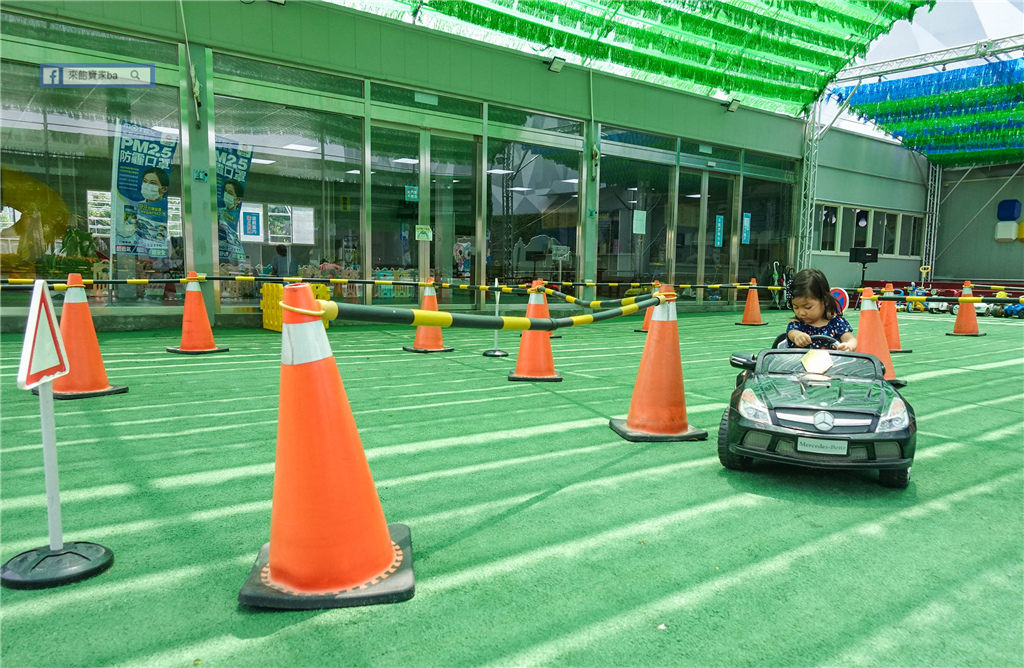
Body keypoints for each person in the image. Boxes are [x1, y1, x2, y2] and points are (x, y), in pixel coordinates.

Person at [787, 268, 857, 351]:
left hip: (833, 363)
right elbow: (792, 333)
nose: (801, 313)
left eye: (808, 307)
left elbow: (851, 339)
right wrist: (797, 336)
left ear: (825, 301)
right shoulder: (796, 324)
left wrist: (849, 346)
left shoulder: (837, 323)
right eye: (796, 307)